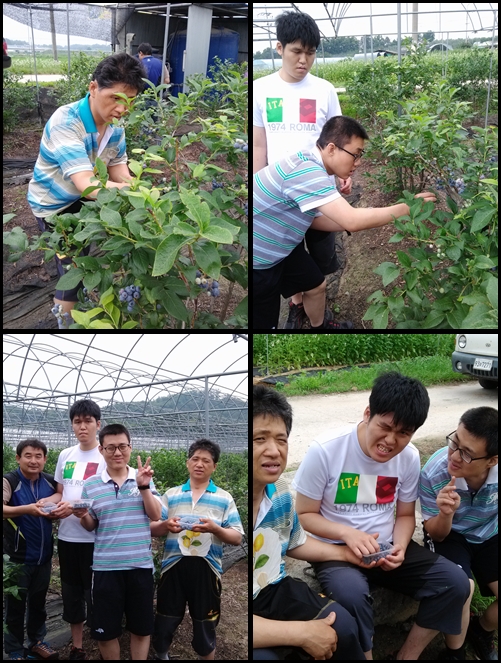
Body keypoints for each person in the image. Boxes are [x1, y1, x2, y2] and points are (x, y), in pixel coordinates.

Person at [292, 371, 471, 660]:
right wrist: (347, 533)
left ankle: (407, 656)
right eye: (385, 427)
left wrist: (399, 546)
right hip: (336, 549)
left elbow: (404, 516)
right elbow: (304, 514)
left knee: (455, 582)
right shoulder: (326, 450)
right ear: (367, 413)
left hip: (386, 548)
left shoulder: (409, 456)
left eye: (403, 433)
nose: (391, 441)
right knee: (351, 597)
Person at [253, 115, 437, 329]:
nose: (357, 163)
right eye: (355, 155)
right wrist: (407, 208)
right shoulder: (307, 172)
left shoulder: (310, 163)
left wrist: (353, 220)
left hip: (282, 246)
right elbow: (351, 220)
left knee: (315, 285)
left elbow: (317, 221)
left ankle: (319, 326)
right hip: (263, 259)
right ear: (331, 148)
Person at [27, 52, 146, 328]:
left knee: (84, 252)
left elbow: (119, 171)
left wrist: (143, 193)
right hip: (53, 206)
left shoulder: (116, 128)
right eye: (115, 98)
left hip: (83, 198)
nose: (122, 109)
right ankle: (66, 326)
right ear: (93, 88)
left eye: (129, 101)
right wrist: (134, 194)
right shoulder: (66, 123)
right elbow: (89, 185)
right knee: (75, 272)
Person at [253, 384, 371, 660]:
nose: (274, 450)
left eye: (281, 440)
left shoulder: (279, 489)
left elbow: (294, 542)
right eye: (260, 439)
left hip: (273, 588)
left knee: (342, 625)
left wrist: (347, 553)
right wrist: (303, 633)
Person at [253, 10, 352, 328]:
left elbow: (336, 139)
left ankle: (315, 294)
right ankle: (298, 305)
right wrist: (257, 189)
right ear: (279, 48)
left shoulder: (324, 90)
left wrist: (341, 175)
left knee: (322, 255)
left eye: (310, 53)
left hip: (319, 191)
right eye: (297, 51)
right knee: (288, 251)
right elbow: (258, 145)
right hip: (282, 199)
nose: (303, 60)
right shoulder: (261, 90)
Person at [150, 438, 244, 661]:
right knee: (166, 616)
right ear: (187, 463)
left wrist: (215, 529)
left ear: (214, 466)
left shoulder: (223, 498)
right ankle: (161, 654)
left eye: (206, 460)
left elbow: (237, 537)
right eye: (195, 459)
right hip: (174, 565)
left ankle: (205, 654)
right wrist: (166, 525)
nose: (199, 464)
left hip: (207, 569)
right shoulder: (171, 495)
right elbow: (153, 528)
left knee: (205, 621)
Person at [77, 423, 162, 661]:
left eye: (122, 446)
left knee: (141, 628)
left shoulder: (143, 478)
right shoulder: (91, 485)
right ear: (102, 450)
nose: (117, 453)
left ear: (130, 447)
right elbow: (91, 525)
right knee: (105, 632)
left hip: (140, 567)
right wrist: (82, 515)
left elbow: (156, 515)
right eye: (111, 447)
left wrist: (144, 486)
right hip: (106, 569)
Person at [419, 406, 498, 660]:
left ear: (492, 460)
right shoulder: (435, 472)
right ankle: (454, 652)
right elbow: (436, 534)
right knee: (463, 587)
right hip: (450, 534)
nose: (453, 455)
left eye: (466, 454)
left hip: (488, 532)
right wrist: (445, 513)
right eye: (455, 442)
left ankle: (481, 630)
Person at [47, 399, 106, 661]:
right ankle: (78, 646)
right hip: (67, 537)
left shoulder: (105, 456)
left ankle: (104, 639)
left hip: (96, 537)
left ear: (98, 425)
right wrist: (46, 504)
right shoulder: (66, 455)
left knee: (95, 592)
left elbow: (105, 499)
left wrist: (74, 507)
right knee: (71, 592)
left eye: (87, 421)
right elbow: (60, 492)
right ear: (72, 425)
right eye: (77, 422)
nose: (82, 427)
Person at [3, 438, 61, 660]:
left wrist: (56, 503)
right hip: (17, 558)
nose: (34, 461)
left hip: (43, 558)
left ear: (45, 459)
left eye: (39, 456)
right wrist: (27, 509)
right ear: (18, 458)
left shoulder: (49, 482)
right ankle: (15, 650)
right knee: (15, 608)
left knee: (39, 603)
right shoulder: (10, 481)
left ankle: (37, 641)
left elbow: (63, 496)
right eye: (28, 456)